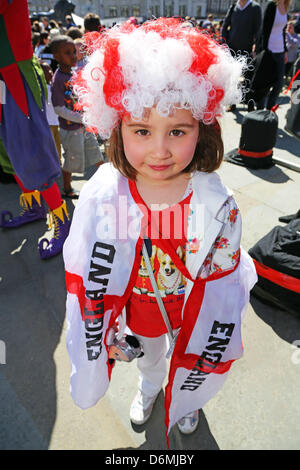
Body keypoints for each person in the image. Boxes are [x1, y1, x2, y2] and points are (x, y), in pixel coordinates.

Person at [63, 18, 257, 440]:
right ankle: (152, 388)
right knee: (153, 359)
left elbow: (223, 279)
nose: (160, 149)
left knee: (190, 362)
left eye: (177, 130)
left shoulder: (213, 202)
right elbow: (93, 273)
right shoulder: (105, 197)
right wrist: (110, 327)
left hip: (192, 312)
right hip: (144, 314)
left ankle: (187, 400)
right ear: (117, 128)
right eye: (142, 130)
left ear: (201, 128)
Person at [0, 0, 71, 260]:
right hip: (3, 80)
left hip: (15, 77)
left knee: (31, 149)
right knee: (10, 147)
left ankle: (62, 221)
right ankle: (34, 208)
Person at [51, 35, 104, 198]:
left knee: (95, 153)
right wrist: (82, 117)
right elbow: (59, 108)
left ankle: (105, 183)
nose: (73, 56)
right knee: (72, 160)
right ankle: (66, 188)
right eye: (68, 53)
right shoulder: (58, 79)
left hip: (83, 125)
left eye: (74, 52)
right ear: (56, 57)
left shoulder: (73, 73)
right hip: (71, 128)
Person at [221, 0, 262, 111]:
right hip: (232, 49)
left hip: (248, 49)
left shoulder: (255, 8)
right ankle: (232, 103)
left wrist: (256, 48)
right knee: (233, 78)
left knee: (248, 78)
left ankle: (250, 104)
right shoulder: (234, 7)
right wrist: (224, 43)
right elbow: (225, 26)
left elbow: (258, 30)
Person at [254, 0, 290, 110]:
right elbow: (264, 30)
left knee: (279, 84)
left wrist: (285, 50)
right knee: (265, 82)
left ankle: (270, 109)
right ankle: (260, 110)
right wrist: (264, 51)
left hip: (280, 51)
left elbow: (283, 31)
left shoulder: (286, 6)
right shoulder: (271, 5)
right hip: (268, 50)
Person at [40, 61, 62, 165]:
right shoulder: (41, 88)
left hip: (56, 121)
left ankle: (58, 163)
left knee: (58, 144)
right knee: (51, 145)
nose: (50, 72)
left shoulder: (53, 86)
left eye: (50, 69)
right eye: (46, 70)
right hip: (47, 122)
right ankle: (53, 164)